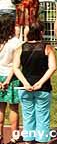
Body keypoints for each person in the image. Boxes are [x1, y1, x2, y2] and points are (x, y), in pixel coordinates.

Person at [12, 22, 56, 144]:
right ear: (41, 32)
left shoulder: (20, 47)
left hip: (24, 87)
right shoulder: (47, 47)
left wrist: (25, 83)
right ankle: (42, 140)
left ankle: (28, 140)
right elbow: (52, 67)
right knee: (43, 115)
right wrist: (41, 82)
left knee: (27, 115)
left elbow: (15, 68)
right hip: (43, 88)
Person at [0, 14, 22, 142]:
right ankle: (14, 137)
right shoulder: (16, 42)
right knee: (14, 108)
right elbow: (16, 64)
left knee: (0, 108)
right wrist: (8, 80)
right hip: (12, 78)